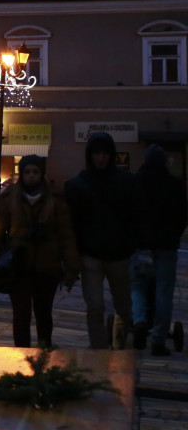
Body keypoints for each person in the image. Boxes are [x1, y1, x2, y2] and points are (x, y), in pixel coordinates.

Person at [0, 155, 80, 349]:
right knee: (21, 314)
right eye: (27, 172)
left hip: (48, 266)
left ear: (41, 173)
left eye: (35, 172)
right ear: (22, 173)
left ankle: (44, 350)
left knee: (44, 312)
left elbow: (66, 235)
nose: (31, 176)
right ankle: (21, 353)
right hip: (18, 265)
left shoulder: (56, 199)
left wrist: (72, 267)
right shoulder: (10, 198)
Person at [64, 132, 138, 350]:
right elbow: (73, 224)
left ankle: (119, 346)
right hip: (91, 255)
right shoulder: (78, 184)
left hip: (119, 254)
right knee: (95, 306)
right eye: (97, 153)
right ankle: (98, 350)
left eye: (105, 153)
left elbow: (134, 216)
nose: (101, 158)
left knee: (124, 307)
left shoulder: (125, 182)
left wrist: (134, 246)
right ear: (90, 155)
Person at [130, 145, 188, 356]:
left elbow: (128, 214)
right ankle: (158, 340)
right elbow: (183, 215)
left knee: (137, 287)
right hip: (165, 246)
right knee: (163, 292)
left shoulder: (135, 183)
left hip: (141, 246)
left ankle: (139, 321)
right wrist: (174, 236)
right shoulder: (175, 185)